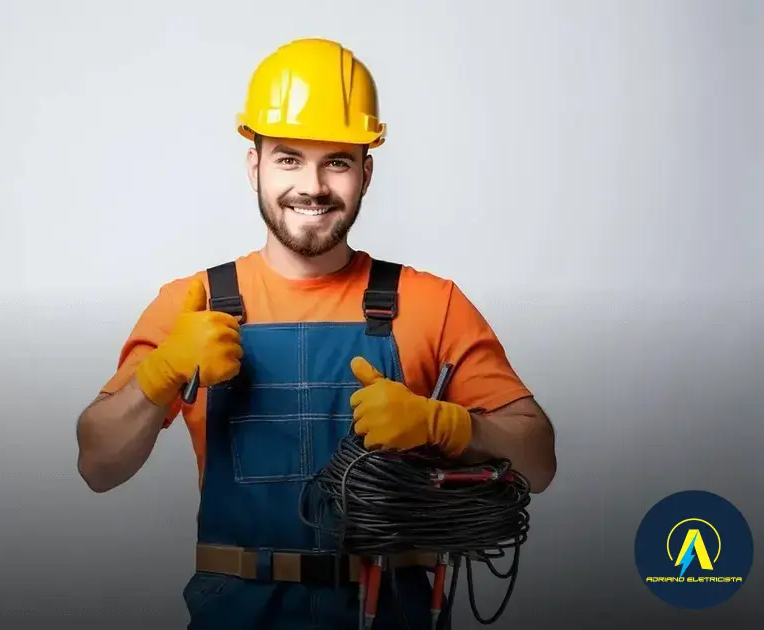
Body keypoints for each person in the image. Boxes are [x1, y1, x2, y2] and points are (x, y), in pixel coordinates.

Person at [76, 37, 556, 630]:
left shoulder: (431, 304)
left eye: (337, 161)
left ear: (366, 171)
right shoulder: (191, 304)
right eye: (288, 158)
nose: (313, 186)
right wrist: (159, 375)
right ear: (253, 164)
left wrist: (449, 425)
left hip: (390, 612)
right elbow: (97, 464)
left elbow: (539, 460)